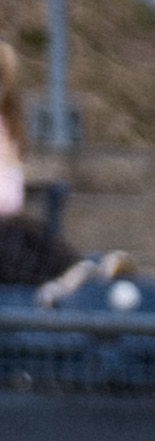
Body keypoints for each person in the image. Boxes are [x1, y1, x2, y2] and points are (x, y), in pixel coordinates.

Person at [0, 50, 81, 290]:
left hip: (8, 225)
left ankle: (77, 271)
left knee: (30, 237)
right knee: (12, 245)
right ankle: (56, 280)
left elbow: (11, 195)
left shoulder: (8, 130)